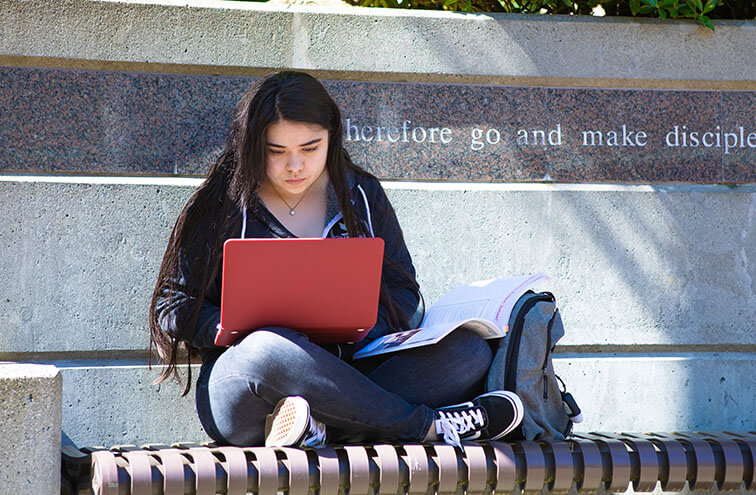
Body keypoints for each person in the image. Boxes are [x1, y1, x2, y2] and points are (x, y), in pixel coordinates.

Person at [148, 71, 524, 448]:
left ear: (332, 137)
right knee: (270, 349)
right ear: (250, 145)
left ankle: (319, 427)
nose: (294, 166)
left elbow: (403, 290)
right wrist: (232, 327)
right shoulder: (223, 204)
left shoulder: (361, 195)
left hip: (350, 368)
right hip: (252, 385)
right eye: (275, 152)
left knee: (468, 352)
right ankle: (427, 427)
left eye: (310, 149)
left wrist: (363, 329)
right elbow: (172, 303)